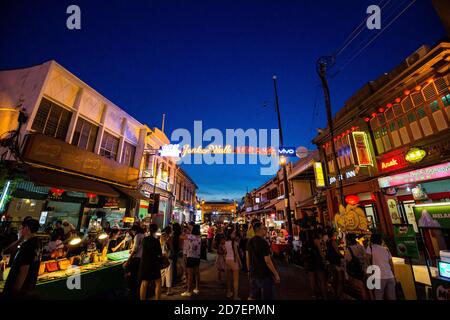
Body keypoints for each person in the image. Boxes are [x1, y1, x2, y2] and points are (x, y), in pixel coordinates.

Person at [2, 218, 41, 299]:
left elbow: (23, 271)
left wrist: (16, 292)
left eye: (21, 228)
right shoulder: (37, 243)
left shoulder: (27, 246)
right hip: (28, 287)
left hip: (20, 290)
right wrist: (19, 240)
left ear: (26, 228)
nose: (19, 231)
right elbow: (6, 251)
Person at [246, 222, 280, 300]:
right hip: (264, 274)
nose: (265, 230)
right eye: (264, 228)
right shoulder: (263, 242)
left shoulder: (250, 241)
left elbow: (248, 257)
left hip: (253, 273)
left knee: (253, 296)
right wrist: (275, 273)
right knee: (268, 296)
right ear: (259, 230)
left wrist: (249, 271)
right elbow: (267, 260)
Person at [366, 233, 396, 300]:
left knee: (379, 296)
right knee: (392, 297)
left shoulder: (370, 248)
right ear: (380, 240)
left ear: (371, 240)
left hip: (378, 277)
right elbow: (391, 264)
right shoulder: (386, 249)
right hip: (390, 276)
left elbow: (367, 262)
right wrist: (394, 275)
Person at [139, 224, 162, 300]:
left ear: (149, 229)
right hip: (154, 263)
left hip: (145, 263)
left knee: (144, 283)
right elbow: (159, 253)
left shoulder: (144, 239)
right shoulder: (156, 241)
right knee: (158, 282)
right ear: (155, 230)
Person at [345, 233, 370, 300]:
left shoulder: (349, 250)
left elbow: (347, 260)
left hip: (358, 270)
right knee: (368, 287)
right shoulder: (361, 246)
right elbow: (366, 256)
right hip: (365, 267)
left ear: (348, 240)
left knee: (362, 288)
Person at [125, 224, 145, 299]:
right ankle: (137, 293)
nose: (132, 233)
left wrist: (128, 260)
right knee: (137, 276)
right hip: (141, 258)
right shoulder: (143, 235)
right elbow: (139, 248)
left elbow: (135, 249)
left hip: (136, 259)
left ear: (135, 230)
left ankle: (132, 294)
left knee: (132, 276)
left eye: (132, 231)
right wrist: (132, 250)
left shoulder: (137, 236)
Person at [181, 224, 201, 297]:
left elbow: (181, 237)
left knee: (190, 274)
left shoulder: (191, 236)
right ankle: (197, 288)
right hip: (197, 257)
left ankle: (188, 291)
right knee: (197, 273)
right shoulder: (199, 237)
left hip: (191, 257)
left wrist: (184, 231)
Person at [326, 230, 344, 299]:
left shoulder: (327, 242)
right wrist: (342, 255)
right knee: (340, 279)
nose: (336, 235)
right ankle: (339, 294)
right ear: (333, 235)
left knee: (334, 278)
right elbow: (337, 252)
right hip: (336, 261)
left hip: (331, 261)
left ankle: (335, 293)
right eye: (335, 234)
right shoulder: (333, 242)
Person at [225, 228, 242, 300]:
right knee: (236, 280)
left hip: (227, 260)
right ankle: (235, 296)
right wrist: (240, 263)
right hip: (234, 261)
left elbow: (225, 252)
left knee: (228, 279)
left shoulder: (225, 242)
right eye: (233, 233)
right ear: (230, 234)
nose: (234, 234)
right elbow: (237, 254)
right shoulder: (234, 243)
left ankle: (228, 293)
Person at [160, 226, 174, 296]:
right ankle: (169, 290)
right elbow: (171, 248)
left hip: (162, 256)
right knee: (168, 274)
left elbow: (160, 245)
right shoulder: (169, 238)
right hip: (168, 257)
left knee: (162, 273)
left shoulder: (161, 236)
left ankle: (161, 288)